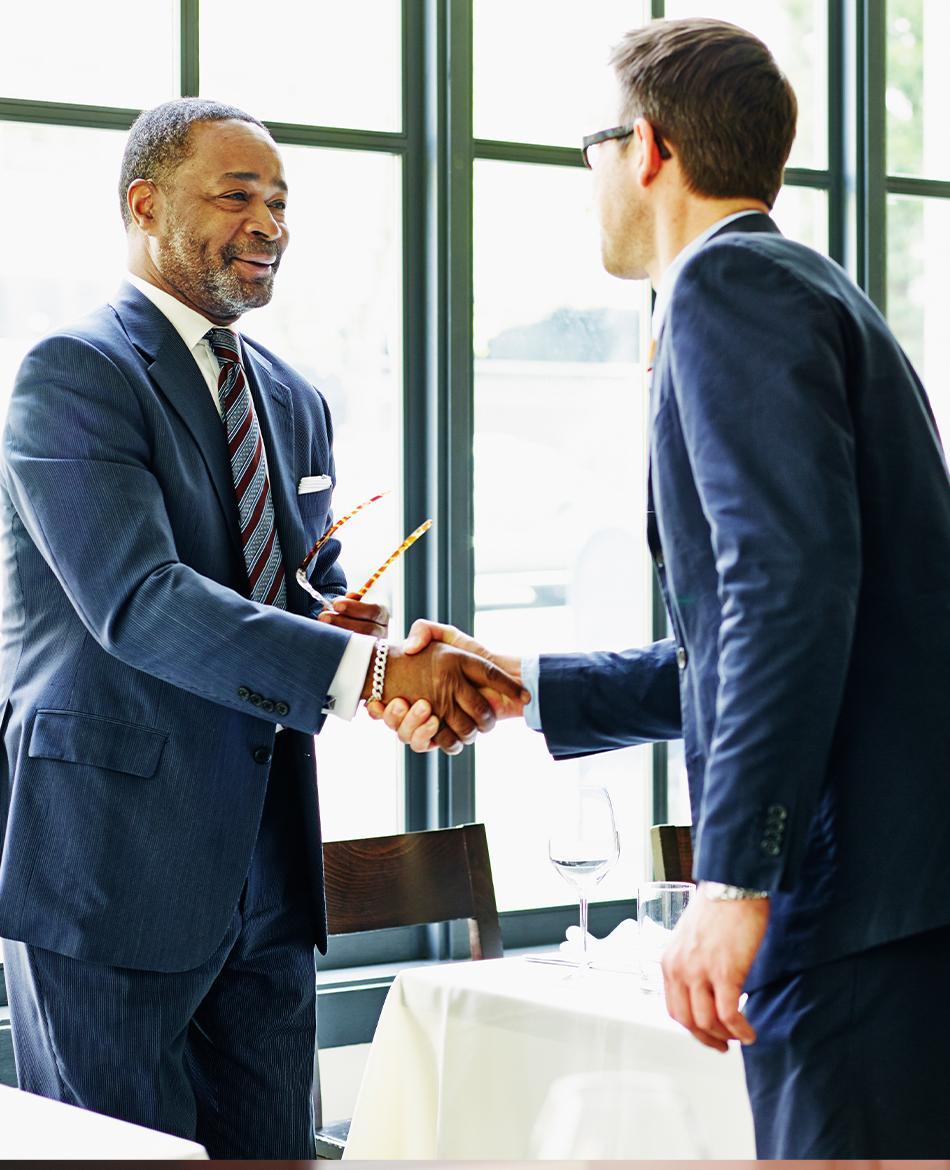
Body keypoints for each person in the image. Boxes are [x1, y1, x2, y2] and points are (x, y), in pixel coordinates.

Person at [375, 18, 950, 1158]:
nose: (586, 174)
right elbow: (769, 633)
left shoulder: (724, 287)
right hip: (899, 897)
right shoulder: (808, 291)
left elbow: (781, 594)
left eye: (592, 142)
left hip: (846, 905)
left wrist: (733, 877)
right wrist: (523, 682)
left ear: (646, 146)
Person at [0, 97, 523, 1159]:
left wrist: (370, 638)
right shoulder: (72, 375)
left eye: (280, 200)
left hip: (269, 877)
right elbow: (139, 602)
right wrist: (367, 672)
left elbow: (299, 588)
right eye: (236, 194)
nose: (270, 221)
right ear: (144, 205)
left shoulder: (291, 399)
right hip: (109, 873)